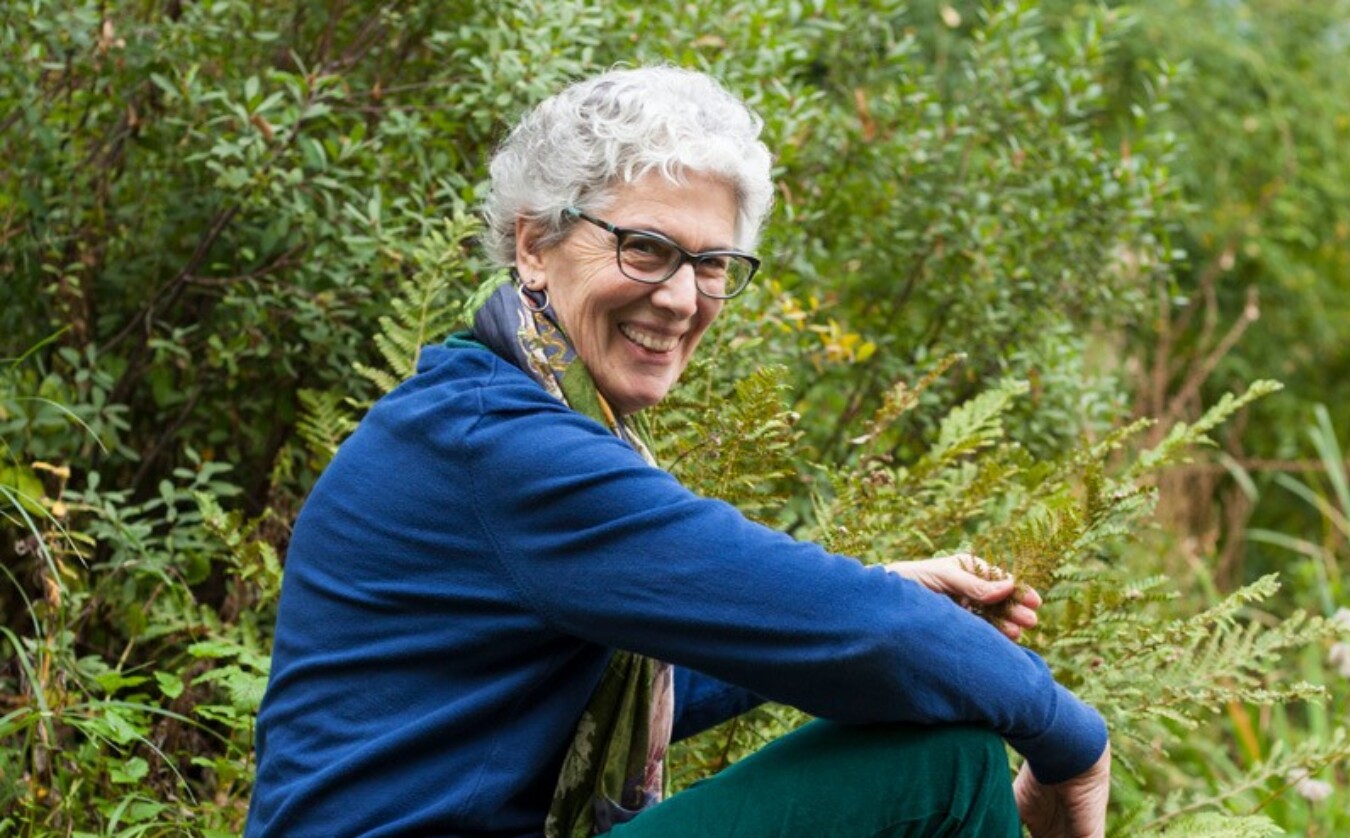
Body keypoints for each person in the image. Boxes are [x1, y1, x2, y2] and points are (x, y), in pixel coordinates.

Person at [246, 66, 1111, 837]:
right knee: (944, 764)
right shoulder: (503, 447)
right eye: (646, 248)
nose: (679, 297)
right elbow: (876, 640)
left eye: (711, 263)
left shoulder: (503, 406)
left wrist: (890, 594)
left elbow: (596, 699)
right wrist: (1075, 743)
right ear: (533, 244)